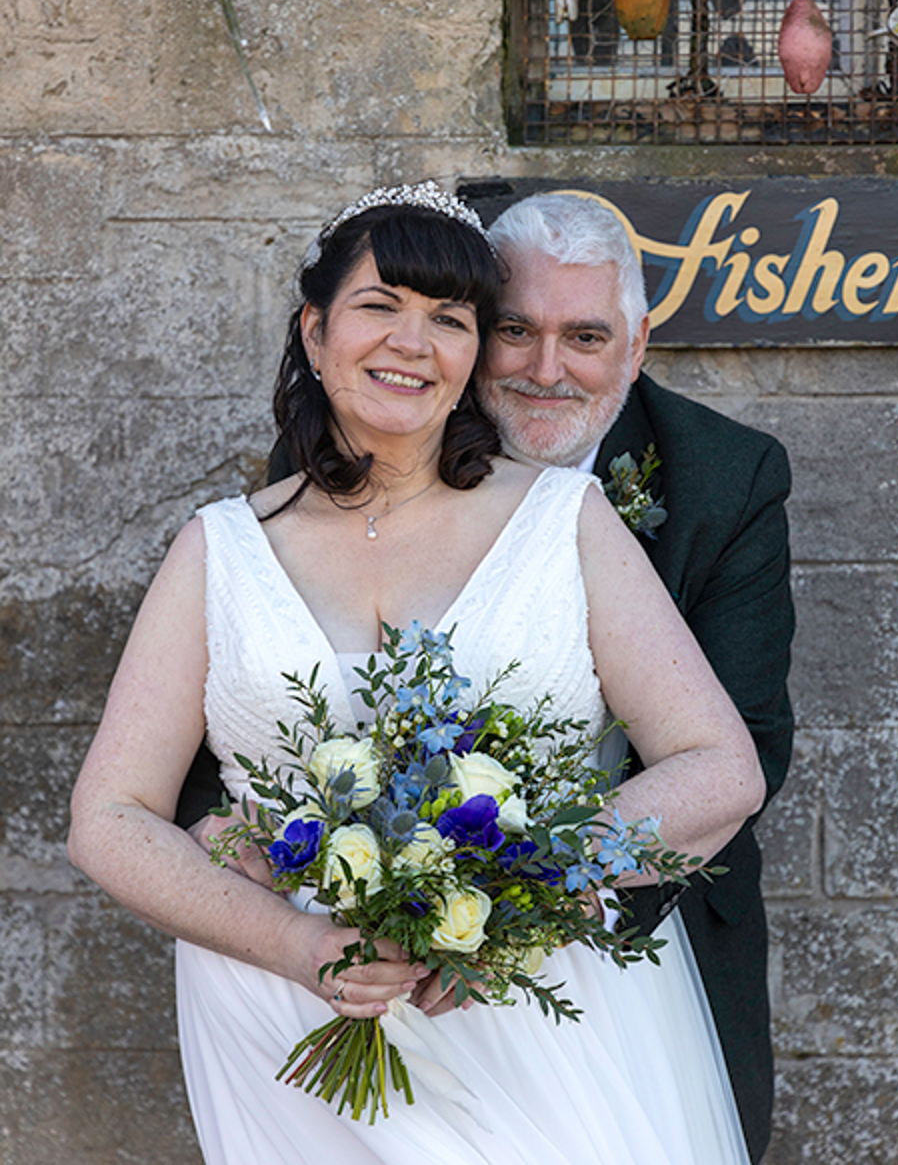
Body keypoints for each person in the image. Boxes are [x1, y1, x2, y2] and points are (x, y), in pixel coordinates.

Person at [70, 182, 765, 1165]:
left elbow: (720, 767)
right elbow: (109, 817)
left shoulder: (563, 520)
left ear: (473, 354)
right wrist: (303, 948)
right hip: (282, 1020)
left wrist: (524, 901)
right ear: (314, 333)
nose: (410, 340)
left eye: (446, 318)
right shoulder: (220, 548)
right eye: (378, 306)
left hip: (527, 1010)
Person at [480, 190, 795, 1165]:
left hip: (640, 920)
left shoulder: (723, 478)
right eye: (514, 330)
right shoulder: (390, 446)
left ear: (637, 339)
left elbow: (750, 744)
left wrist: (510, 910)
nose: (546, 368)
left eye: (583, 334)